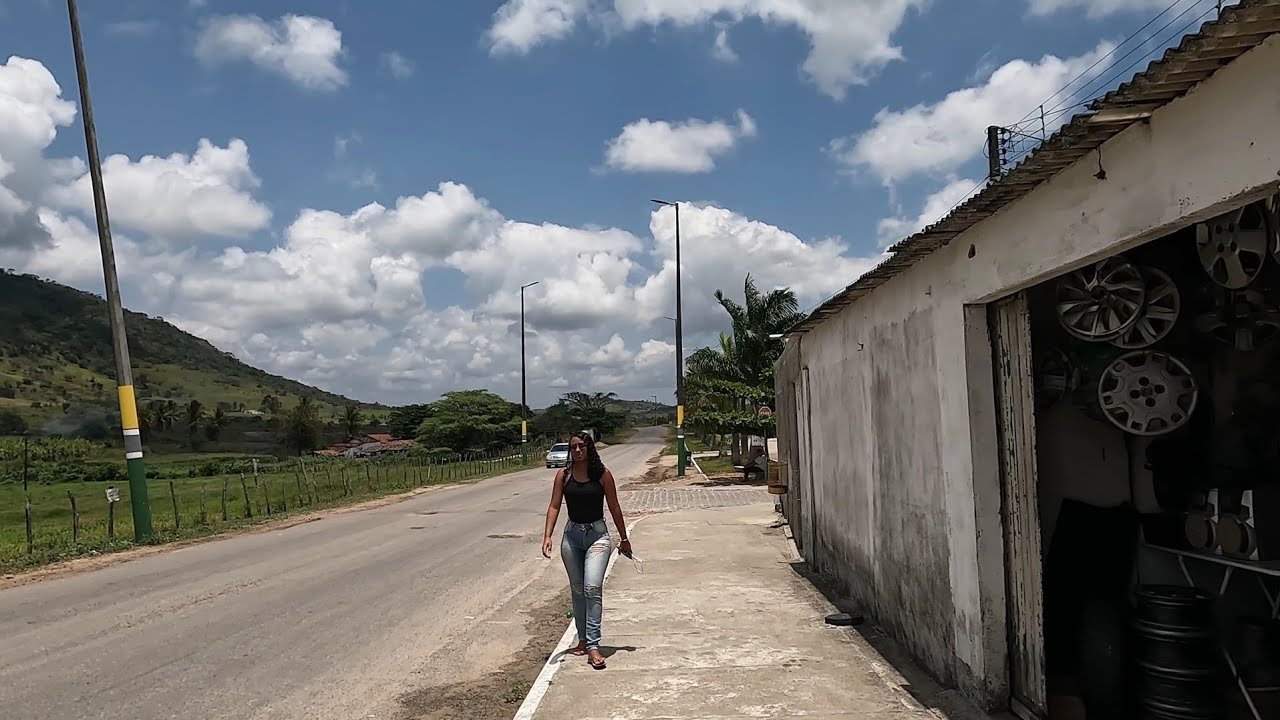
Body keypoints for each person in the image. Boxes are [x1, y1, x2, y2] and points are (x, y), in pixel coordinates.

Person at [541, 431, 631, 669]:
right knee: (578, 589)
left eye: (582, 446)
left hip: (597, 536)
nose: (577, 450)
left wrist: (624, 538)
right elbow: (554, 505)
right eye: (574, 447)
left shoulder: (602, 475)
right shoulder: (564, 475)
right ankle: (582, 640)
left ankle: (593, 645)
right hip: (571, 537)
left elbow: (614, 507)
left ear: (589, 448)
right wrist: (547, 536)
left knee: (592, 587)